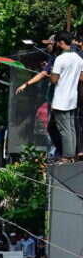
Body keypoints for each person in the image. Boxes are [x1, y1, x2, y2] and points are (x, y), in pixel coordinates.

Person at [49, 31, 83, 161]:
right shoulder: (79, 59)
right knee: (71, 128)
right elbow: (81, 77)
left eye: (57, 42)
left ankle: (67, 156)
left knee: (64, 129)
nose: (56, 45)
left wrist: (52, 73)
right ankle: (72, 154)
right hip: (73, 97)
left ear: (61, 42)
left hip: (61, 99)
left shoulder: (60, 59)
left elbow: (54, 80)